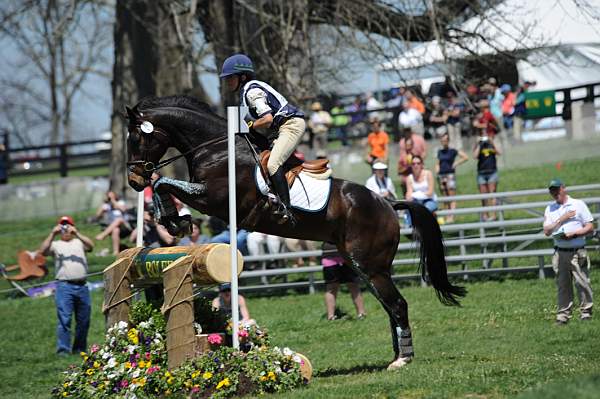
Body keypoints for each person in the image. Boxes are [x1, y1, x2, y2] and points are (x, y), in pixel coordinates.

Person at [220, 53, 305, 224]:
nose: (227, 81)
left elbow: (267, 119)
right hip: (279, 129)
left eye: (230, 77)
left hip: (290, 125)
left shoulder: (252, 92)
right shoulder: (247, 91)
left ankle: (286, 209)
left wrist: (249, 126)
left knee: (273, 164)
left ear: (242, 76)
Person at [38, 216, 94, 355]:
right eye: (62, 226)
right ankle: (63, 351)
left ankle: (79, 349)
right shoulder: (56, 244)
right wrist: (52, 233)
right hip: (64, 287)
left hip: (82, 286)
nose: (65, 229)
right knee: (65, 319)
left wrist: (77, 233)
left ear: (73, 227)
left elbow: (91, 246)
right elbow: (43, 251)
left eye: (68, 225)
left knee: (84, 320)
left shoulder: (78, 241)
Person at [543, 179, 594, 324]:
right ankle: (563, 316)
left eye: (557, 189)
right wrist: (562, 219)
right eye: (552, 190)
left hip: (577, 251)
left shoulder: (578, 204)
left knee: (582, 282)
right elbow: (547, 231)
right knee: (563, 285)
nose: (554, 193)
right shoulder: (550, 208)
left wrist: (575, 234)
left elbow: (590, 227)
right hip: (560, 252)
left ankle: (586, 313)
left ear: (563, 189)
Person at [321, 243, 366, 320]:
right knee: (331, 288)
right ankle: (331, 316)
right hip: (329, 259)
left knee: (354, 286)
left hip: (348, 258)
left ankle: (361, 313)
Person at [435, 133, 469, 223]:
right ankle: (447, 216)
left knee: (451, 196)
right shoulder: (440, 152)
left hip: (450, 174)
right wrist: (437, 170)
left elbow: (465, 157)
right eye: (442, 140)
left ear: (448, 141)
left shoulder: (452, 150)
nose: (444, 142)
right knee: (445, 196)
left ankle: (452, 216)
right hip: (442, 175)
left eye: (445, 140)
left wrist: (456, 163)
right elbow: (438, 163)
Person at [472, 131, 501, 221]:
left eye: (486, 135)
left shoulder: (491, 144)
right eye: (482, 135)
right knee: (483, 196)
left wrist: (491, 142)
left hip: (492, 171)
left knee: (492, 194)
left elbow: (499, 152)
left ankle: (494, 214)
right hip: (481, 173)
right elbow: (475, 156)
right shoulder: (479, 145)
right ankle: (485, 215)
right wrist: (478, 143)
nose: (484, 137)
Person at [94, 191, 131, 255]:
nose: (110, 197)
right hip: (113, 227)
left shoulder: (120, 202)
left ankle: (103, 235)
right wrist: (102, 208)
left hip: (125, 225)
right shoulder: (107, 205)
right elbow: (97, 215)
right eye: (109, 196)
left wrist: (113, 201)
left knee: (119, 219)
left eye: (112, 196)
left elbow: (123, 209)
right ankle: (116, 252)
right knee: (116, 230)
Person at [405, 155, 437, 226]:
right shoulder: (409, 178)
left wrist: (415, 194)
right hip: (417, 202)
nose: (416, 165)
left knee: (424, 209)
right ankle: (409, 228)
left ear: (422, 164)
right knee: (409, 208)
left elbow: (430, 193)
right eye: (413, 164)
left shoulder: (428, 174)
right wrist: (412, 196)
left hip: (430, 200)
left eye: (418, 163)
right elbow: (408, 195)